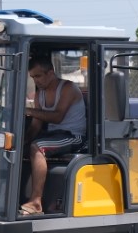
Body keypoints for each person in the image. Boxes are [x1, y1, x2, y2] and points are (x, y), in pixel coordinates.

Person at [19, 56, 87, 216]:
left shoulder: (68, 88)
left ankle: (36, 202)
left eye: (38, 76)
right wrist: (23, 141)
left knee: (38, 147)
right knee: (17, 148)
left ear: (50, 73)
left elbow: (57, 117)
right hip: (54, 135)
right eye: (33, 77)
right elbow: (36, 125)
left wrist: (28, 111)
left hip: (73, 136)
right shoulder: (40, 94)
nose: (36, 81)